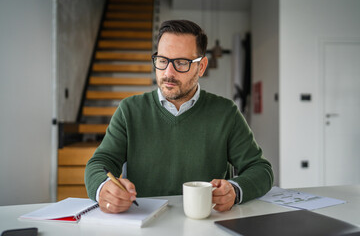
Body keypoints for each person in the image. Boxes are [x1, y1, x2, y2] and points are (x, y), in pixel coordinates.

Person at [85, 19, 273, 214]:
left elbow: (261, 169)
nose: (168, 72)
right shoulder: (129, 110)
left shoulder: (226, 112)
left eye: (181, 63)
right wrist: (103, 188)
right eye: (162, 60)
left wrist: (234, 190)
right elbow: (99, 164)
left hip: (206, 225)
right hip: (145, 222)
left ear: (201, 67)